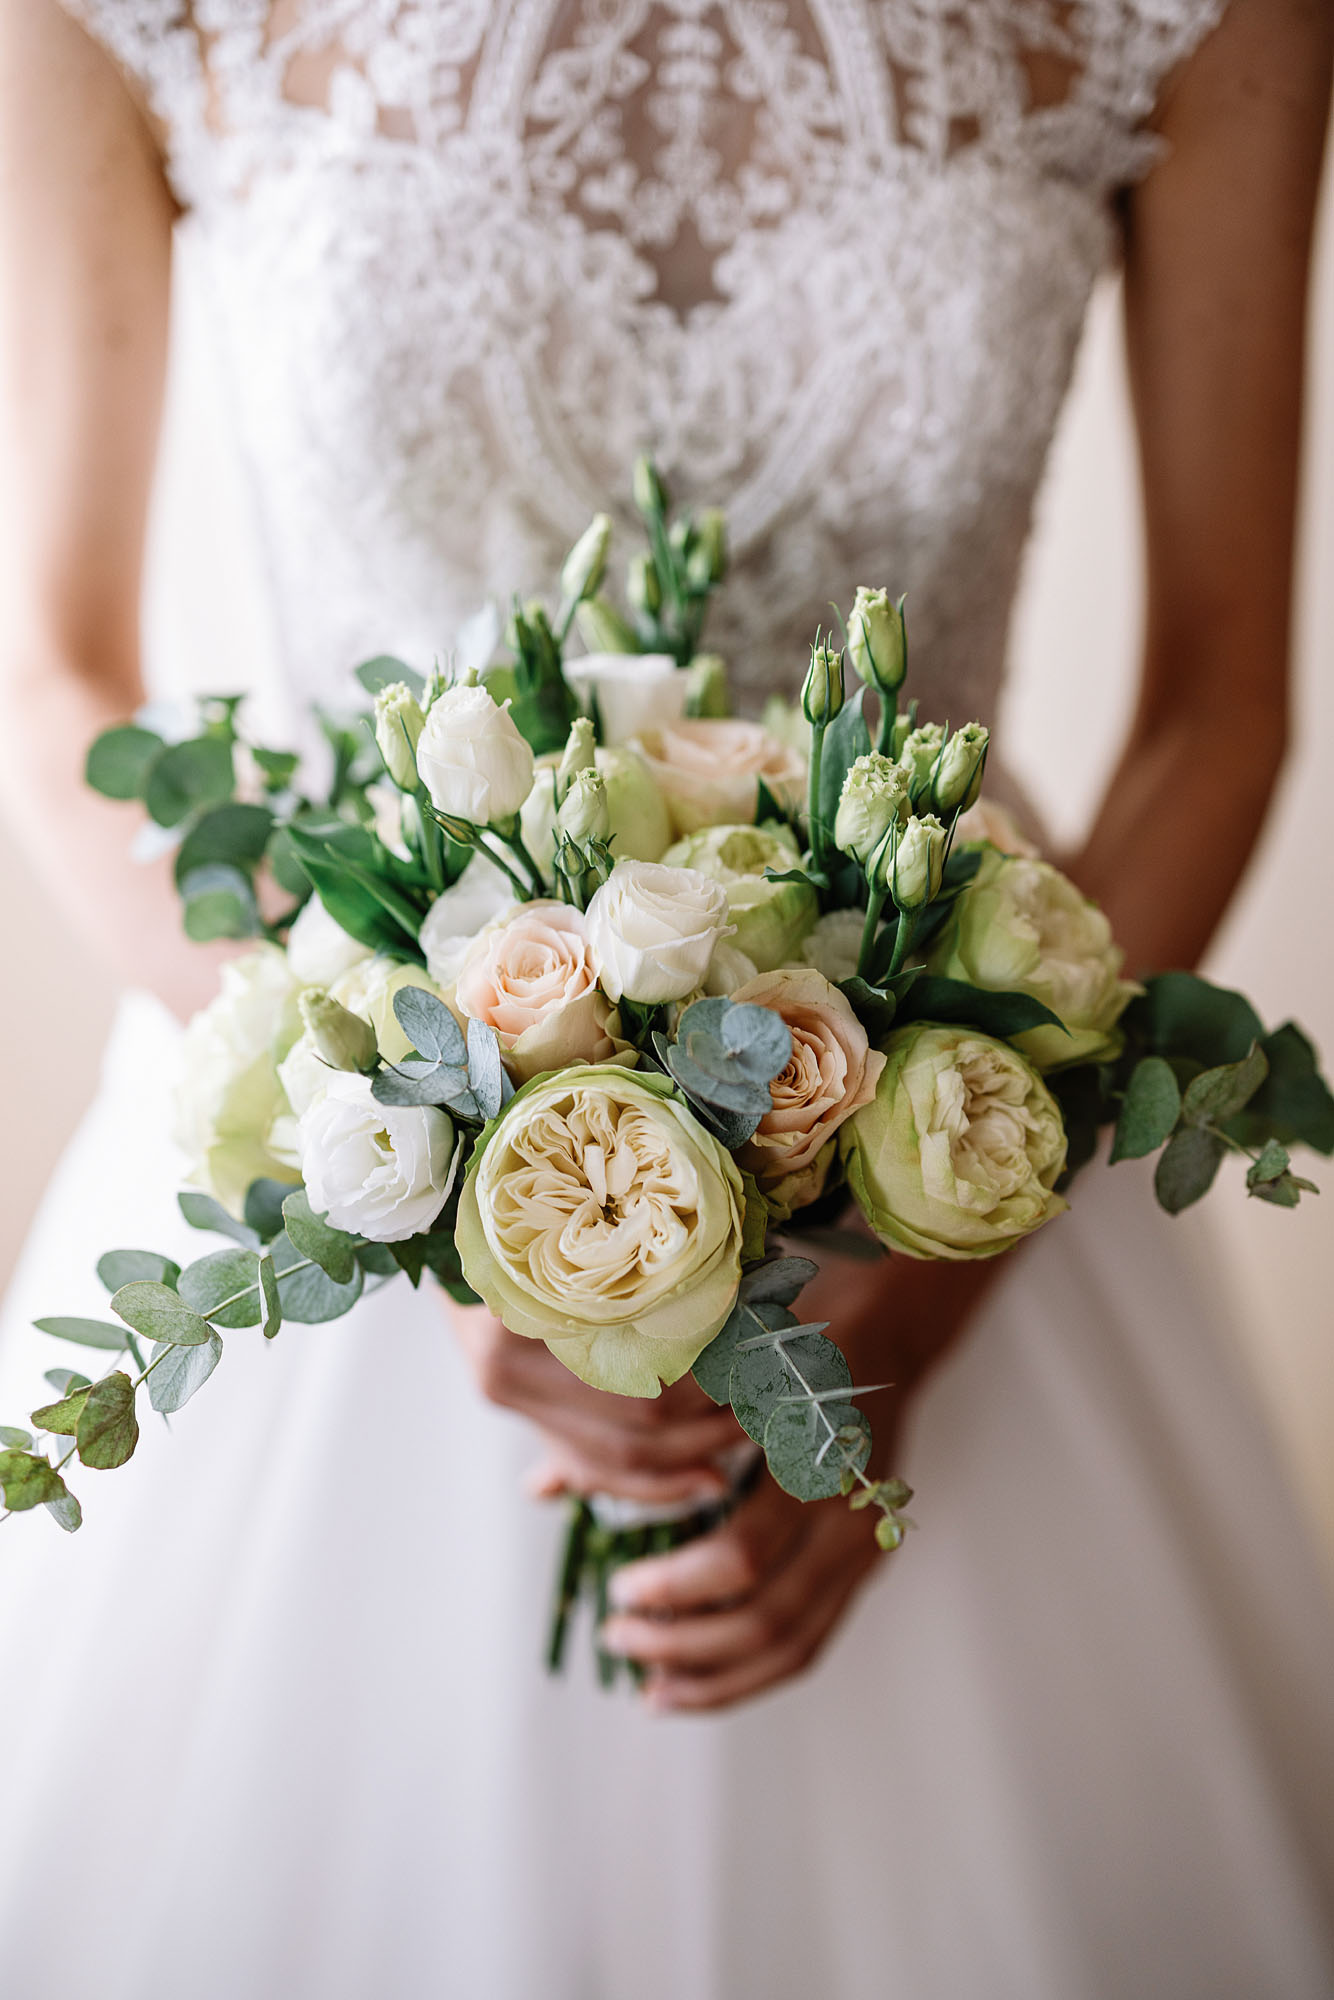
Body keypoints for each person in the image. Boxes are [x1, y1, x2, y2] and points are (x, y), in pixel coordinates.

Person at [0, 2, 1331, 1995]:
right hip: (337, 1159)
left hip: (946, 1153)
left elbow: (1218, 699)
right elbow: (58, 675)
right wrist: (431, 1193)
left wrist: (929, 1280)